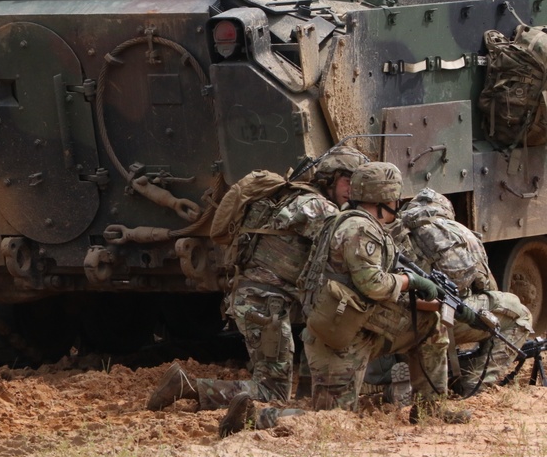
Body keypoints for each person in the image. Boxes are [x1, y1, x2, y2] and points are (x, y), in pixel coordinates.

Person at [146, 146, 369, 419]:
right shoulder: (317, 208)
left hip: (259, 300)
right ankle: (188, 387)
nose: (353, 191)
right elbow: (347, 246)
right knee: (271, 390)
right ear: (329, 179)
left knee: (301, 345)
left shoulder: (293, 198)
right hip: (263, 306)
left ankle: (306, 394)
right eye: (348, 181)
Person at [296, 162, 471, 428]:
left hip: (359, 325)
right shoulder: (360, 229)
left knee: (429, 325)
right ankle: (257, 415)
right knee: (331, 424)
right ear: (385, 201)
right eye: (396, 201)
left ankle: (429, 410)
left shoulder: (351, 221)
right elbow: (373, 286)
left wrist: (428, 300)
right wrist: (410, 280)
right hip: (337, 336)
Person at [400, 188, 532, 395]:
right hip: (440, 318)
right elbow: (487, 287)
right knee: (518, 314)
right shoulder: (458, 231)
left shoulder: (394, 230)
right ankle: (475, 382)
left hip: (398, 319)